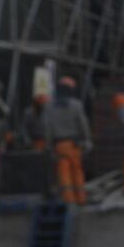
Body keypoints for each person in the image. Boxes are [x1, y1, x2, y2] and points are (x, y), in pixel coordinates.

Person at [43, 76, 92, 205]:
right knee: (77, 171)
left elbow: (48, 128)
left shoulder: (49, 106)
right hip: (74, 144)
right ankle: (81, 199)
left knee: (63, 173)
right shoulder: (76, 105)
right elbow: (83, 124)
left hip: (59, 145)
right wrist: (87, 140)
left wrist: (48, 146)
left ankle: (68, 200)